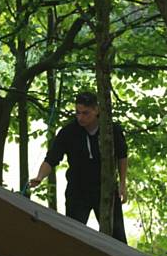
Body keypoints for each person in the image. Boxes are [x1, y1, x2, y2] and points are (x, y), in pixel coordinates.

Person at [29, 91, 128, 243]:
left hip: (105, 189)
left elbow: (122, 156)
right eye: (78, 113)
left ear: (97, 110)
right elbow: (52, 158)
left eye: (85, 113)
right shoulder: (68, 132)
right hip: (77, 190)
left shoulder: (111, 130)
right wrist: (40, 177)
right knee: (72, 236)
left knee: (117, 237)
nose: (80, 117)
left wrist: (122, 184)